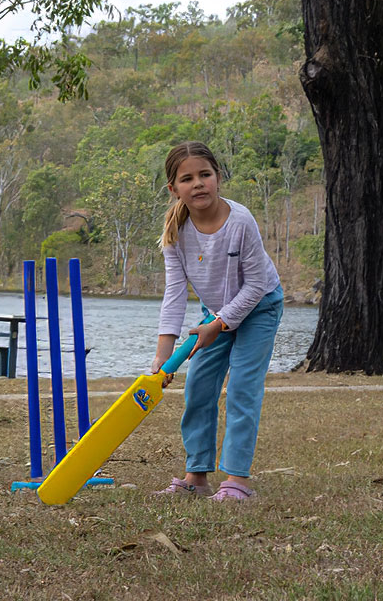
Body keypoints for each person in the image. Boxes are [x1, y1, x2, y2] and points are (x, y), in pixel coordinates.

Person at [149, 142, 283, 501]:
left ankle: (237, 481)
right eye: (187, 178)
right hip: (214, 315)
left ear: (218, 178)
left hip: (261, 307)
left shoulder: (240, 220)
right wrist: (163, 355)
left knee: (241, 388)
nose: (198, 184)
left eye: (205, 175)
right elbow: (175, 293)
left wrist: (219, 323)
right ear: (173, 189)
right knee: (199, 387)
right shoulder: (176, 231)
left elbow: (255, 284)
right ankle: (196, 477)